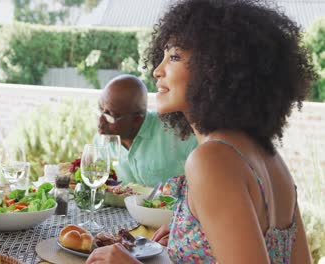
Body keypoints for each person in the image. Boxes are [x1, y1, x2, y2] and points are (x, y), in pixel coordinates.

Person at [86, 0, 316, 263]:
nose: (157, 70)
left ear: (215, 68)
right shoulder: (271, 159)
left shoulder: (211, 160)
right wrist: (193, 234)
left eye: (174, 57)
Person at [94, 74, 197, 187]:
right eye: (100, 110)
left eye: (109, 116)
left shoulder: (177, 133)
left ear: (136, 119)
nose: (100, 123)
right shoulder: (102, 141)